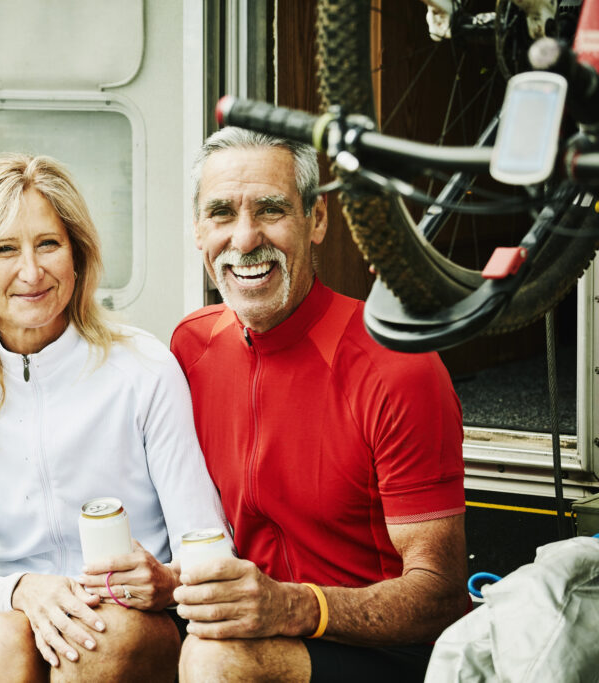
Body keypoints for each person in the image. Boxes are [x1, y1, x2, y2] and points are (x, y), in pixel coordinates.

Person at [0, 152, 227, 682]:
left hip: (136, 618)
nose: (31, 272)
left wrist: (166, 582)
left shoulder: (143, 368)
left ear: (78, 255)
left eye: (48, 244)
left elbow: (206, 542)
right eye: (5, 249)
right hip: (11, 613)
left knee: (60, 641)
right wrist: (24, 590)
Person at [169, 127, 468, 683]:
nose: (244, 239)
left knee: (216, 659)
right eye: (221, 214)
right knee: (106, 637)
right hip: (246, 627)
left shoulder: (398, 368)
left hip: (387, 653)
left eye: (271, 209)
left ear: (318, 219)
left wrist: (293, 606)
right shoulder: (189, 345)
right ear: (197, 229)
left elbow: (442, 594)